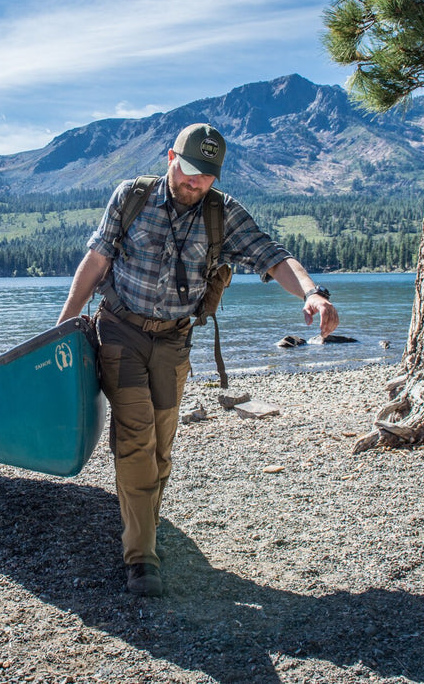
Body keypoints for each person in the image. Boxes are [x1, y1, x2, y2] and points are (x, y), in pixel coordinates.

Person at [57, 123, 339, 596]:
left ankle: (144, 525)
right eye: (189, 170)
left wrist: (312, 292)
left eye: (207, 175)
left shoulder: (222, 213)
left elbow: (273, 257)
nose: (196, 182)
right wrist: (63, 326)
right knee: (135, 438)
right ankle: (141, 557)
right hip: (120, 332)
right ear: (171, 158)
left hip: (174, 341)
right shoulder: (131, 197)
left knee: (161, 447)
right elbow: (97, 260)